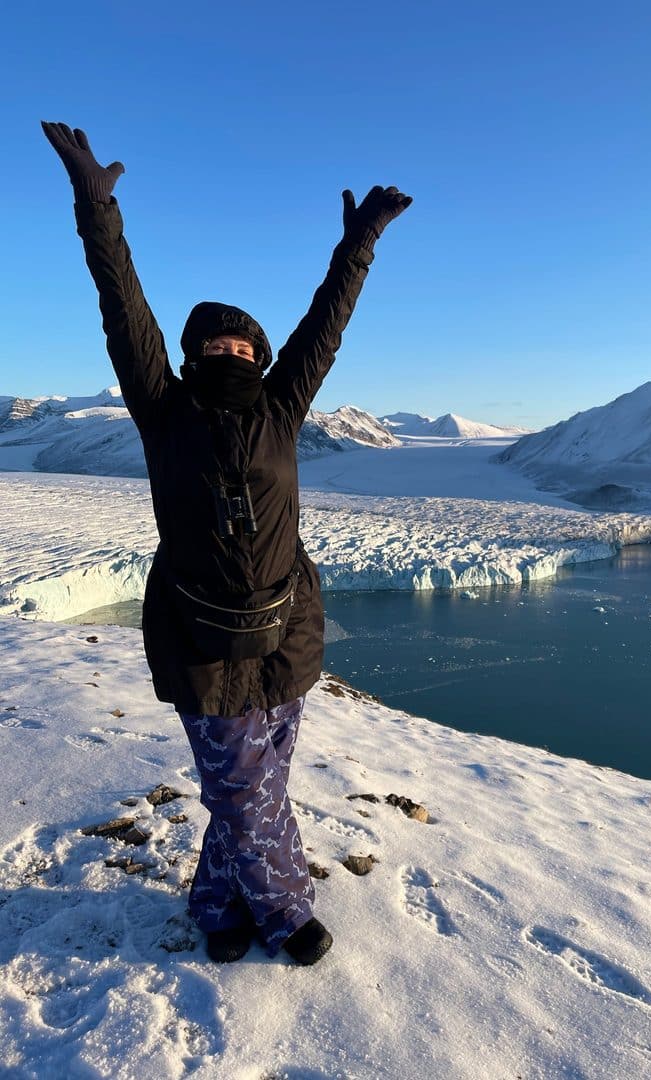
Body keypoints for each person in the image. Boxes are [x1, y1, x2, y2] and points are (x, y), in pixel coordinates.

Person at [41, 121, 412, 966]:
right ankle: (284, 912)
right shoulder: (163, 409)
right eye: (213, 343)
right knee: (246, 791)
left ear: (260, 355)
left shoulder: (282, 407)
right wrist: (98, 209)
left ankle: (217, 902)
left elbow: (327, 326)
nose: (228, 350)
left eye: (241, 344)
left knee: (254, 788)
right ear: (191, 354)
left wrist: (357, 246)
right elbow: (122, 306)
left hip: (285, 631)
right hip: (203, 638)